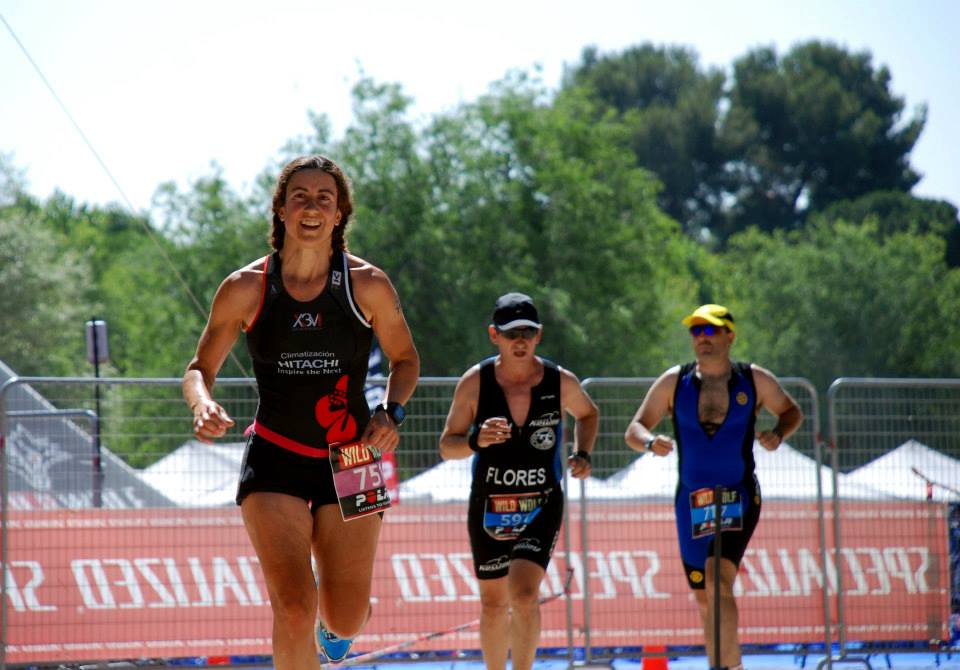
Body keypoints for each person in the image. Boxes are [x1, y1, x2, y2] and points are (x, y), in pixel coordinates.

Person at [183, 155, 420, 669]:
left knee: (345, 618)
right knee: (293, 607)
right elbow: (199, 369)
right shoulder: (245, 287)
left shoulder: (367, 284)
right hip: (275, 456)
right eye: (300, 197)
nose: (312, 208)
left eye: (324, 199)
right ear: (281, 210)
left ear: (339, 214)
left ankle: (338, 621)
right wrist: (202, 404)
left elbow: (406, 359)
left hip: (353, 455)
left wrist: (392, 412)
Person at [624, 304, 803, 670]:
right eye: (696, 331)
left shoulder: (754, 379)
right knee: (705, 599)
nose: (702, 338)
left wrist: (778, 433)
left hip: (737, 495)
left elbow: (792, 411)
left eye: (710, 330)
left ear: (729, 336)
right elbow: (634, 429)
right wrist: (650, 442)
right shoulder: (675, 381)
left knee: (717, 581)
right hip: (690, 502)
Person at [439, 292, 598, 670]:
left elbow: (588, 414)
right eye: (511, 333)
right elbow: (447, 446)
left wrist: (583, 453)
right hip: (490, 506)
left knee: (525, 595)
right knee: (494, 603)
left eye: (528, 332)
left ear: (539, 335)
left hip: (541, 503)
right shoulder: (475, 383)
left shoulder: (560, 381)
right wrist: (476, 440)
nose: (520, 341)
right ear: (494, 335)